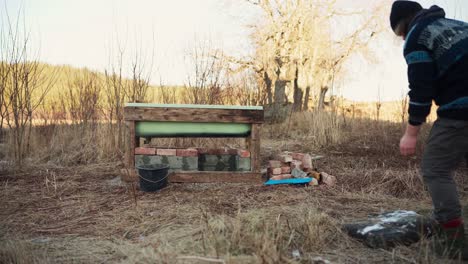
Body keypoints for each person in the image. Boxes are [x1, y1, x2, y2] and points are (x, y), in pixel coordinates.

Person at [390, 0, 468, 259]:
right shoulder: (458, 25)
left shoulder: (417, 37)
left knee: (435, 168)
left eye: (399, 34)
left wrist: (411, 133)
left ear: (403, 25)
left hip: (461, 109)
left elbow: (422, 89)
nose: (402, 40)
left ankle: (453, 243)